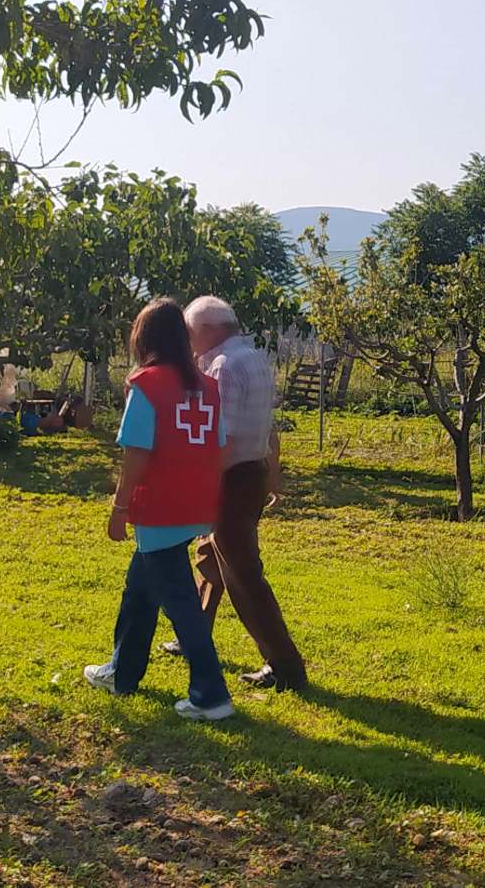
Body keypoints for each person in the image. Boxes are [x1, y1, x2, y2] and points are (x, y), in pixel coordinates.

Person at [83, 298, 235, 721]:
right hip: (196, 503)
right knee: (140, 589)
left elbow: (136, 453)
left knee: (181, 603)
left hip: (159, 506)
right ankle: (122, 673)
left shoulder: (147, 385)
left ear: (144, 338)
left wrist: (119, 507)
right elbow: (220, 447)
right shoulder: (207, 386)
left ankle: (211, 696)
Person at [163, 295, 308, 692]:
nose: (187, 340)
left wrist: (196, 482)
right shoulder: (254, 357)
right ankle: (193, 634)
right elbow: (265, 426)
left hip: (230, 478)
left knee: (243, 576)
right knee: (212, 558)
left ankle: (285, 666)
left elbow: (218, 435)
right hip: (250, 471)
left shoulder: (223, 366)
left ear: (209, 330)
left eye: (190, 331)